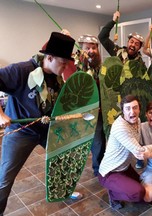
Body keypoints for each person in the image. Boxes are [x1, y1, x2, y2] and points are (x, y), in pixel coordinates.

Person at [0, 32, 75, 215]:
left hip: (46, 129)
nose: (66, 67)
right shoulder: (21, 70)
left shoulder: (57, 78)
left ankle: (62, 191)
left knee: (63, 158)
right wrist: (0, 114)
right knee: (5, 178)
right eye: (63, 63)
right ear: (49, 57)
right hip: (21, 132)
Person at [98, 95, 152, 210]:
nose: (132, 112)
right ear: (123, 111)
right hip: (110, 172)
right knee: (138, 193)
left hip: (124, 167)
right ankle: (113, 195)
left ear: (139, 109)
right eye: (127, 109)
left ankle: (119, 187)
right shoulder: (120, 127)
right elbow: (139, 151)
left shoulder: (137, 120)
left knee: (141, 185)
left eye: (135, 108)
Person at [76, 34, 106, 177]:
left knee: (102, 138)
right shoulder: (77, 66)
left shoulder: (100, 66)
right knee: (97, 140)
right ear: (81, 48)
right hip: (87, 111)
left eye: (94, 48)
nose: (91, 51)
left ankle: (102, 164)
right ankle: (98, 168)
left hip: (103, 109)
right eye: (87, 48)